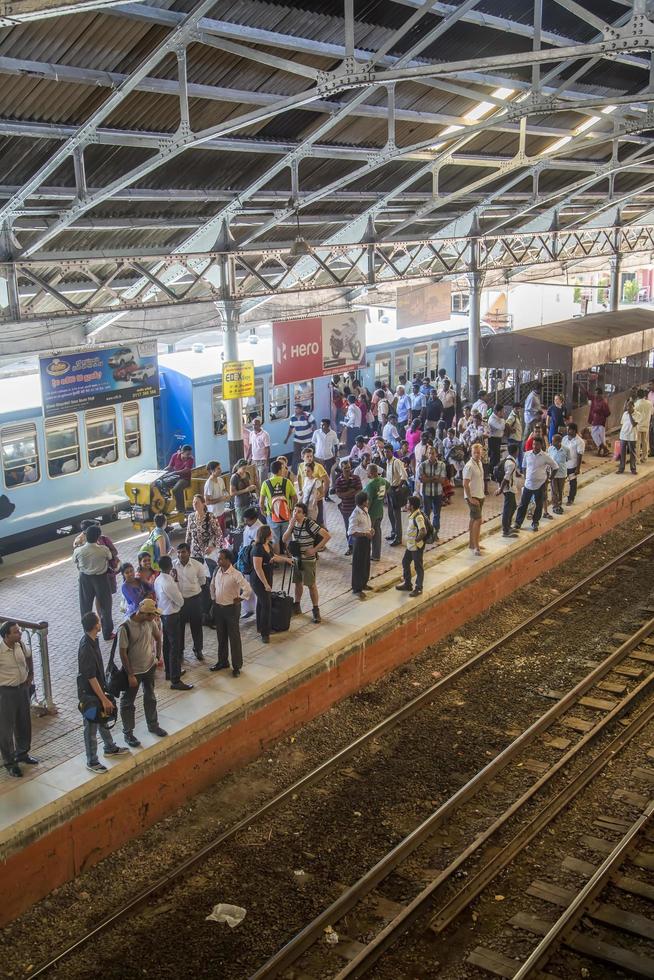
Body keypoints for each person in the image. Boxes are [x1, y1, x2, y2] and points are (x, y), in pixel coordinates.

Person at [78, 612, 130, 773]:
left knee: (101, 720)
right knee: (91, 727)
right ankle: (92, 761)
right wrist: (104, 699)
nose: (101, 623)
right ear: (96, 626)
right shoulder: (87, 647)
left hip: (96, 690)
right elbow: (91, 676)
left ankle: (109, 747)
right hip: (90, 694)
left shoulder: (93, 640)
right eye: (99, 622)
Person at [118, 598, 167, 748]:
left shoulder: (150, 623)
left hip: (149, 667)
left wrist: (157, 656)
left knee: (150, 697)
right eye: (153, 615)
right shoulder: (125, 628)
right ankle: (128, 733)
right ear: (144, 613)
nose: (155, 618)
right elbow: (123, 653)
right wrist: (130, 674)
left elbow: (158, 638)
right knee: (128, 703)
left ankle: (153, 724)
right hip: (134, 671)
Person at [0, 621, 37, 777]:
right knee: (6, 729)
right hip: (6, 692)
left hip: (22, 689)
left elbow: (29, 657)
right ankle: (10, 762)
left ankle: (22, 753)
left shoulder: (20, 644)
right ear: (6, 635)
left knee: (24, 722)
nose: (20, 633)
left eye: (19, 631)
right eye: (16, 632)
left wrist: (30, 675)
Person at [283, 502, 330, 624]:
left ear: (304, 514)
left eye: (299, 512)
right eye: (294, 511)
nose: (295, 513)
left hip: (308, 560)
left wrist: (315, 549)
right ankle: (297, 606)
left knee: (311, 585)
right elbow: (284, 539)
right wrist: (290, 526)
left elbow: (327, 536)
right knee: (297, 583)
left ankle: (315, 609)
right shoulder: (292, 523)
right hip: (296, 559)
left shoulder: (310, 523)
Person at [210, 548, 252, 677]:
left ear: (228, 560)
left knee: (234, 638)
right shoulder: (217, 570)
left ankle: (237, 666)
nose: (218, 560)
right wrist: (213, 599)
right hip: (219, 608)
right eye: (218, 558)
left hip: (231, 609)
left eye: (221, 558)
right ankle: (222, 662)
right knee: (221, 637)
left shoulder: (236, 574)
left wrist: (241, 598)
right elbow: (212, 585)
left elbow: (248, 589)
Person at [250, 525, 294, 642]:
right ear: (266, 535)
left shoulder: (267, 546)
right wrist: (265, 584)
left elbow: (273, 557)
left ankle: (260, 627)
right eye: (270, 533)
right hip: (259, 581)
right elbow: (258, 568)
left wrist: (286, 560)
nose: (272, 534)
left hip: (267, 578)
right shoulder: (257, 549)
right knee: (266, 605)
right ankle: (265, 633)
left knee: (261, 603)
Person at [154, 555, 191, 689]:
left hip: (164, 614)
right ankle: (175, 680)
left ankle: (169, 672)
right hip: (172, 616)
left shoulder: (158, 579)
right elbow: (180, 601)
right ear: (170, 566)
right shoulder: (169, 582)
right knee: (175, 647)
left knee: (167, 645)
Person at [74, 523, 114, 641]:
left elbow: (74, 560)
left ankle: (88, 632)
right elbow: (110, 557)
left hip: (85, 579)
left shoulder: (79, 551)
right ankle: (107, 633)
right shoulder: (103, 550)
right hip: (101, 578)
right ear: (98, 537)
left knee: (85, 606)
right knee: (106, 607)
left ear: (86, 536)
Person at [186, 493, 222, 613]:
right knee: (198, 580)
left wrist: (212, 546)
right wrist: (186, 550)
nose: (194, 504)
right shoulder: (191, 517)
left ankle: (212, 605)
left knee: (209, 579)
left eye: (197, 502)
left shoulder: (210, 516)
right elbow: (188, 535)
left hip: (208, 553)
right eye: (193, 502)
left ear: (203, 504)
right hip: (195, 553)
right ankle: (202, 607)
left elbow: (219, 534)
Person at [512, 436, 557, 533]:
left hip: (540, 485)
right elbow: (523, 466)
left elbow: (555, 467)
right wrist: (526, 476)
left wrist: (550, 479)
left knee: (538, 504)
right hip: (528, 484)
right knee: (523, 504)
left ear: (541, 445)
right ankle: (518, 523)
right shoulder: (527, 454)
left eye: (537, 444)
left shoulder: (545, 456)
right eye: (533, 444)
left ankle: (535, 522)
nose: (534, 446)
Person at [173, 542, 206, 662]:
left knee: (196, 626)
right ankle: (180, 651)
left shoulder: (197, 565)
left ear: (189, 553)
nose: (181, 555)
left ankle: (198, 649)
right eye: (179, 552)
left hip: (194, 600)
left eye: (183, 552)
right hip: (180, 602)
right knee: (179, 628)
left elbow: (202, 581)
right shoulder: (173, 566)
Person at [260, 458, 297, 553]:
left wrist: (265, 513)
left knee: (275, 539)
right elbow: (295, 498)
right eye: (283, 468)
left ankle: (278, 560)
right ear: (280, 470)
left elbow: (261, 502)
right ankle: (290, 558)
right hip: (286, 514)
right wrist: (291, 509)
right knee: (288, 537)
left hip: (272, 515)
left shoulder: (265, 483)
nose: (284, 469)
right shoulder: (287, 482)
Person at [395, 495, 426, 596]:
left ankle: (419, 587)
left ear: (412, 506)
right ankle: (407, 583)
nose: (406, 505)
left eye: (408, 503)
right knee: (405, 562)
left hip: (416, 547)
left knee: (418, 567)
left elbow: (423, 531)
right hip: (410, 546)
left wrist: (417, 540)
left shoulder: (418, 517)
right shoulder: (413, 514)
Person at [348, 491, 374, 597]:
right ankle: (357, 588)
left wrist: (371, 530)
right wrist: (364, 534)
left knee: (366, 562)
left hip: (367, 540)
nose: (368, 501)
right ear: (363, 502)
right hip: (359, 541)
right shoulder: (355, 514)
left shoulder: (365, 510)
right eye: (367, 500)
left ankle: (364, 583)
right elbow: (351, 532)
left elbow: (366, 525)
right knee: (358, 564)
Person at [240, 507, 263, 620]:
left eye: (246, 520)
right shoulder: (248, 527)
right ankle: (249, 610)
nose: (245, 522)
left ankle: (259, 612)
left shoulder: (260, 529)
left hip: (255, 562)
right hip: (246, 561)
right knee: (246, 586)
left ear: (253, 519)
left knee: (257, 588)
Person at [419, 444, 446, 541]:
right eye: (429, 453)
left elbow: (442, 480)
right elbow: (422, 479)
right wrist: (435, 478)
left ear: (436, 454)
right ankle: (428, 534)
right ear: (427, 454)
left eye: (433, 453)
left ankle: (435, 533)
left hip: (438, 493)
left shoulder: (442, 465)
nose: (431, 455)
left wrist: (428, 478)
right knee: (426, 514)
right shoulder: (422, 465)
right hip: (426, 493)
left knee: (437, 514)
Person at [463, 442, 485, 556]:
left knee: (473, 519)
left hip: (480, 494)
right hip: (473, 496)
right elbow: (465, 484)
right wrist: (470, 498)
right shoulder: (469, 466)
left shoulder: (480, 463)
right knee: (478, 520)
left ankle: (472, 543)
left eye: (478, 452)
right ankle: (476, 546)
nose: (477, 455)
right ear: (471, 453)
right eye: (474, 453)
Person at [335, 459, 362, 552]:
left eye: (349, 467)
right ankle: (351, 547)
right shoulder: (338, 480)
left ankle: (358, 546)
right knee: (348, 528)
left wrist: (346, 494)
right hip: (345, 509)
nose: (348, 470)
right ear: (341, 468)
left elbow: (359, 491)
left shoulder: (356, 478)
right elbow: (339, 495)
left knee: (358, 527)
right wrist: (351, 492)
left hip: (356, 508)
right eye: (345, 468)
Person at [384, 443, 408, 547]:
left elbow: (404, 475)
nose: (386, 453)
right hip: (389, 489)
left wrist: (398, 488)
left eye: (388, 452)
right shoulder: (387, 462)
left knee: (397, 515)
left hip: (395, 489)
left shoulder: (396, 462)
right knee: (390, 513)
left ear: (392, 452)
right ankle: (393, 533)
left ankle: (398, 538)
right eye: (384, 452)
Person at [297, 446, 329, 523]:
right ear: (302, 457)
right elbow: (299, 477)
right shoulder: (301, 466)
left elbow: (327, 481)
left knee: (318, 520)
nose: (310, 458)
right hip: (306, 498)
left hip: (317, 499)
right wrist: (300, 490)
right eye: (307, 456)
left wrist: (323, 494)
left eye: (311, 456)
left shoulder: (318, 467)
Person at [365, 463, 389, 562]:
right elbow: (388, 486)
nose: (366, 472)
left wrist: (365, 512)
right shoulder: (383, 480)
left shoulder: (371, 485)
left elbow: (368, 501)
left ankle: (367, 554)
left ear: (371, 472)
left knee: (369, 534)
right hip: (380, 510)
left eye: (367, 471)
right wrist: (381, 498)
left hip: (372, 513)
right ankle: (376, 554)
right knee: (377, 533)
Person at [311, 419, 340, 498]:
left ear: (328, 425)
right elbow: (313, 444)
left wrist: (335, 455)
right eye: (321, 425)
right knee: (317, 477)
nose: (321, 426)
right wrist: (312, 456)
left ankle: (326, 495)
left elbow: (335, 445)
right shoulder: (316, 433)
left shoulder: (333, 433)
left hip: (329, 458)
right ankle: (317, 494)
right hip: (318, 458)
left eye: (323, 425)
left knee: (326, 477)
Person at [162, 443, 194, 513]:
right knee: (162, 484)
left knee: (176, 489)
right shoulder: (174, 456)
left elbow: (186, 470)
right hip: (175, 477)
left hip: (184, 479)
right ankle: (165, 505)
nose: (189, 456)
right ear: (182, 452)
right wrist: (161, 472)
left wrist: (174, 472)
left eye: (190, 454)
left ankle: (181, 510)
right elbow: (170, 466)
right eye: (187, 454)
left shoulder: (190, 459)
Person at [496, 442, 519, 537]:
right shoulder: (511, 464)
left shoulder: (508, 460)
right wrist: (500, 489)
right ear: (516, 452)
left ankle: (508, 526)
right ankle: (505, 530)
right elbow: (506, 478)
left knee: (513, 506)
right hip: (508, 489)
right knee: (507, 509)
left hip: (508, 488)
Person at [285, 403, 317, 471]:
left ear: (301, 409)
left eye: (297, 409)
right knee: (296, 455)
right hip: (297, 440)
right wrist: (287, 438)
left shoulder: (308, 415)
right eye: (294, 409)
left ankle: (311, 468)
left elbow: (314, 425)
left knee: (308, 455)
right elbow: (291, 428)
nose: (295, 410)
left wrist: (314, 436)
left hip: (307, 440)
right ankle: (295, 471)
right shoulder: (293, 418)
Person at [561, 421, 585, 505]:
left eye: (569, 430)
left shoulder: (579, 441)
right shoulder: (564, 439)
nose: (567, 432)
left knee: (572, 483)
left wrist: (578, 468)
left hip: (572, 466)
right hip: (563, 465)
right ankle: (560, 498)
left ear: (574, 431)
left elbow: (579, 455)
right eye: (567, 430)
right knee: (561, 482)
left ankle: (571, 499)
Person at [204, 460, 230, 533]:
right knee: (217, 536)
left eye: (220, 468)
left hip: (221, 511)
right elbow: (207, 502)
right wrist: (220, 499)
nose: (220, 470)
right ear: (212, 470)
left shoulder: (220, 480)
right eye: (218, 468)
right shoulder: (209, 483)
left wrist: (227, 495)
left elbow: (224, 490)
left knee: (223, 534)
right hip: (214, 515)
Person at [230, 459, 257, 527]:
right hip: (240, 504)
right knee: (242, 524)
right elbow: (232, 493)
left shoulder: (247, 474)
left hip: (249, 501)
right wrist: (245, 490)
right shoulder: (234, 477)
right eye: (243, 468)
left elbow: (249, 485)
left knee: (251, 523)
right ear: (238, 467)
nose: (245, 470)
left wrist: (252, 487)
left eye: (246, 468)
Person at [547, 433, 569, 515]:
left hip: (562, 473)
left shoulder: (566, 450)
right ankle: (555, 506)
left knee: (560, 490)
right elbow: (548, 461)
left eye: (553, 441)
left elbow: (567, 459)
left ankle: (559, 504)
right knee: (554, 490)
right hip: (553, 473)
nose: (552, 443)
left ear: (559, 442)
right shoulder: (550, 449)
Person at [246, 417, 271, 485]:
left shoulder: (265, 435)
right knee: (255, 480)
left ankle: (264, 495)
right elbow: (250, 447)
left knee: (262, 481)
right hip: (254, 461)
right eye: (253, 424)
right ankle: (259, 495)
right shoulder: (251, 434)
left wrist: (266, 461)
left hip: (262, 461)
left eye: (256, 424)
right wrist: (247, 458)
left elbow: (267, 449)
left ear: (260, 425)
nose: (254, 426)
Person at [587, 388, 611, 457]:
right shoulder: (595, 399)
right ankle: (604, 449)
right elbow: (588, 394)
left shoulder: (603, 402)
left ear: (600, 394)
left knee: (601, 437)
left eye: (597, 393)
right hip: (595, 420)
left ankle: (603, 449)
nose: (596, 395)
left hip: (601, 421)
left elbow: (608, 413)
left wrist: (601, 414)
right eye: (595, 393)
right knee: (594, 434)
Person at [618, 398, 638, 475]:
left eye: (629, 407)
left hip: (632, 436)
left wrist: (630, 414)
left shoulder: (637, 414)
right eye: (627, 407)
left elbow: (633, 424)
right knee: (622, 453)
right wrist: (620, 435)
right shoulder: (624, 414)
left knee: (632, 453)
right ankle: (621, 468)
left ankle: (633, 469)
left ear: (633, 406)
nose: (628, 408)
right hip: (623, 436)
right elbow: (622, 424)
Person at [634, 388, 653, 464]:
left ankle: (637, 459)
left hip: (638, 425)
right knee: (645, 442)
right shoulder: (649, 403)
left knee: (637, 443)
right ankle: (644, 458)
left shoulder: (636, 404)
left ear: (637, 395)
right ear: (644, 395)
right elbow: (652, 413)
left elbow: (634, 415)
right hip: (646, 424)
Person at [487, 403, 505, 476]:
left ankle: (495, 471)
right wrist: (503, 420)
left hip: (497, 439)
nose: (504, 413)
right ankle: (492, 472)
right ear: (498, 412)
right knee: (494, 457)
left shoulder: (498, 418)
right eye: (502, 411)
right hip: (493, 439)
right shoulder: (492, 419)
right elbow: (502, 427)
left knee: (497, 457)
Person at [505, 402, 524, 471]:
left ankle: (520, 469)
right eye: (517, 408)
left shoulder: (518, 415)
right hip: (513, 439)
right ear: (513, 408)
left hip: (518, 438)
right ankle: (512, 469)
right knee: (514, 456)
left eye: (519, 408)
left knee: (520, 455)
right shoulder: (512, 416)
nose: (518, 410)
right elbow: (507, 424)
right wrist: (511, 430)